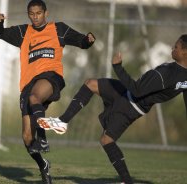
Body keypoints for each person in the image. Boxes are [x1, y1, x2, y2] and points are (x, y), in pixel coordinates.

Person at [37, 34, 187, 183]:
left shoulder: (168, 74)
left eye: (177, 47)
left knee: (107, 140)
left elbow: (137, 90)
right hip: (125, 93)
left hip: (131, 105)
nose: (173, 48)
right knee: (90, 84)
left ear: (185, 52)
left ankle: (127, 181)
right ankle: (63, 121)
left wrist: (118, 67)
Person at [0, 0, 95, 183]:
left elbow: (81, 41)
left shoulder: (58, 29)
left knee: (35, 96)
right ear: (28, 14)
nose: (35, 17)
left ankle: (43, 137)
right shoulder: (23, 32)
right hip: (27, 85)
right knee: (26, 138)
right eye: (32, 14)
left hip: (51, 77)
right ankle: (43, 165)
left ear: (46, 13)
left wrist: (88, 39)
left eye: (39, 13)